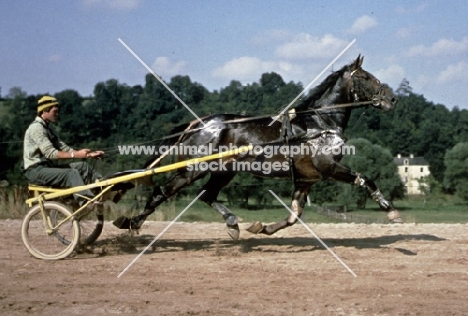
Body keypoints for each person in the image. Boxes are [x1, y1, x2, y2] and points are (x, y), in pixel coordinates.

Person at [23, 95, 104, 204]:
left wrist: (89, 155)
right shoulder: (36, 128)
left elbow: (63, 148)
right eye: (55, 111)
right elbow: (50, 153)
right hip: (35, 170)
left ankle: (105, 188)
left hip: (47, 168)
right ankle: (85, 201)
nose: (57, 114)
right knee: (71, 173)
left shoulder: (49, 128)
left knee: (83, 166)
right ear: (44, 111)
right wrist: (77, 155)